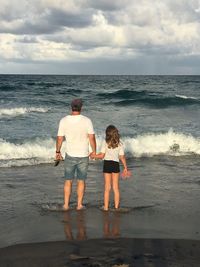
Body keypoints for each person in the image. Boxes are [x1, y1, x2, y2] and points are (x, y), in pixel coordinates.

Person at [55, 99, 96, 210]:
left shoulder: (64, 120)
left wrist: (58, 152)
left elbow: (59, 138)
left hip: (70, 154)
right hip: (83, 154)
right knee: (81, 181)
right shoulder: (87, 120)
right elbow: (91, 137)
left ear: (71, 107)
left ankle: (66, 205)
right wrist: (94, 151)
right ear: (81, 108)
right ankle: (79, 205)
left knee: (68, 181)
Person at [91, 125, 130, 211]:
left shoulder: (105, 142)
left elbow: (101, 156)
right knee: (115, 188)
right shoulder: (119, 143)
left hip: (107, 164)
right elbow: (122, 157)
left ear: (107, 134)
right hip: (115, 164)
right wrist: (125, 168)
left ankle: (106, 207)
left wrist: (93, 155)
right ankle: (116, 207)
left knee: (107, 188)